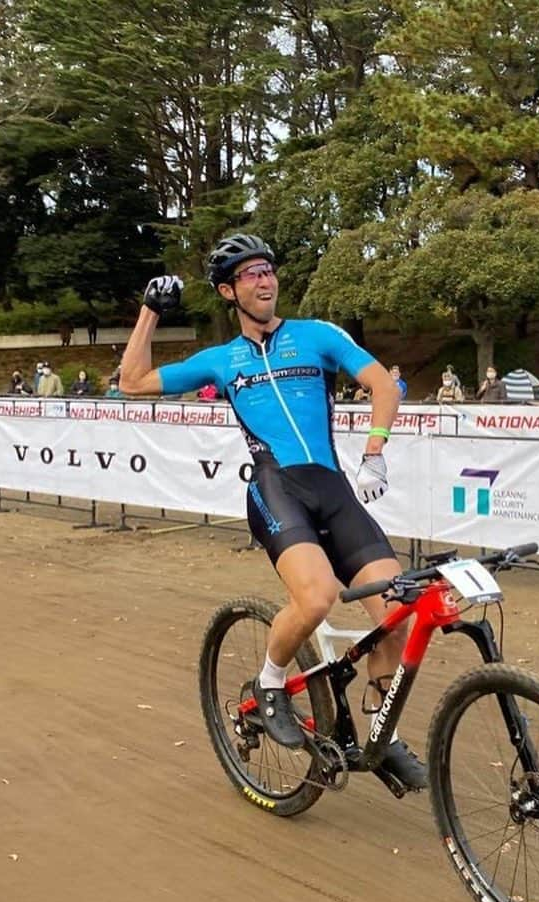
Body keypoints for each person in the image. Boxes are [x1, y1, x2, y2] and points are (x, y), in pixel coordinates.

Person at [117, 234, 426, 788]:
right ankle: (270, 682)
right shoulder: (221, 359)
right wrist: (149, 312)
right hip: (276, 490)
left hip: (333, 489)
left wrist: (375, 448)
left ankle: (385, 737)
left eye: (268, 271)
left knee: (396, 610)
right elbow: (132, 383)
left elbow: (382, 383)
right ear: (228, 291)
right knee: (317, 598)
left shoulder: (317, 336)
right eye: (250, 275)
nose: (264, 281)